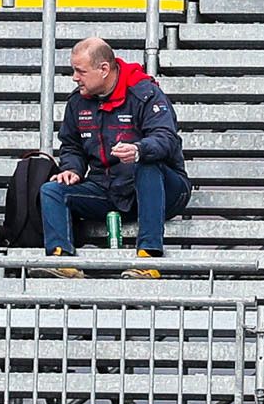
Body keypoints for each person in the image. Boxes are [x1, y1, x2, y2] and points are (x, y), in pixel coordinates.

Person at [42, 37, 189, 263]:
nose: (74, 77)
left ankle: (149, 256)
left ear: (103, 69)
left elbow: (167, 138)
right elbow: (71, 145)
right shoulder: (76, 102)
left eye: (80, 71)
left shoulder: (145, 94)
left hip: (162, 191)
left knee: (146, 165)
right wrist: (72, 169)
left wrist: (139, 149)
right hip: (106, 189)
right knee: (52, 190)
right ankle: (61, 261)